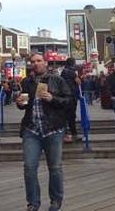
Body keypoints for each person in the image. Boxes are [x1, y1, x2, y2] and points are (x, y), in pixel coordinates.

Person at [17, 53, 73, 211]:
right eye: (33, 61)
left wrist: (52, 99)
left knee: (55, 167)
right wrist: (19, 103)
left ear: (46, 63)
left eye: (39, 61)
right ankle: (33, 203)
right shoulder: (27, 81)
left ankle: (56, 201)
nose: (35, 64)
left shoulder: (57, 80)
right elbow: (24, 105)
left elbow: (69, 101)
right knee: (29, 168)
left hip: (52, 130)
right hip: (31, 130)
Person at [60, 57, 80, 143]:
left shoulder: (63, 72)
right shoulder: (72, 72)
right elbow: (78, 82)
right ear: (73, 63)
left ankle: (64, 134)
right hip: (72, 97)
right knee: (71, 116)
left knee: (64, 116)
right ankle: (74, 134)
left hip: (64, 96)